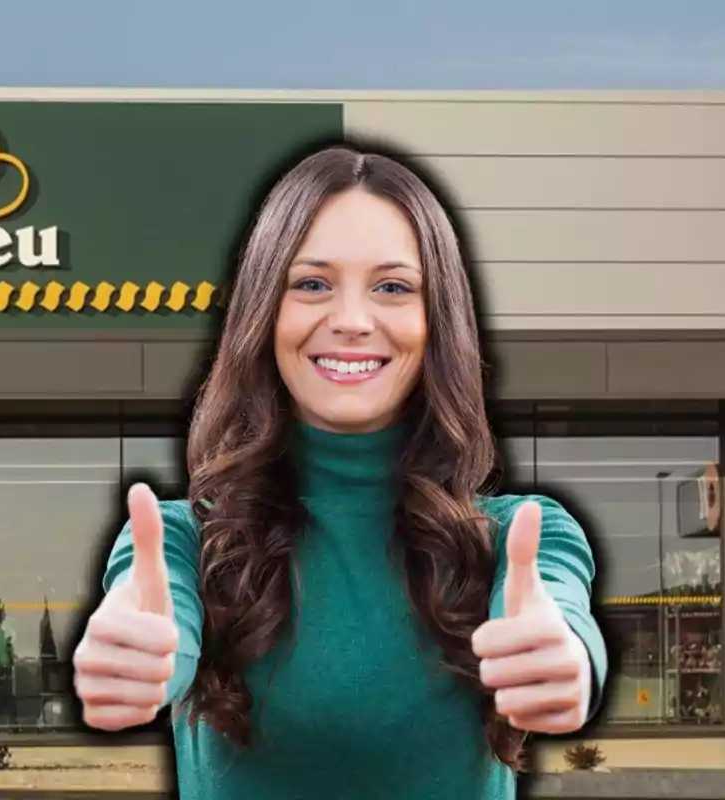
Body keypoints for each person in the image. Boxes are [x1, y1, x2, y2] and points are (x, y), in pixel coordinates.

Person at [72, 144, 608, 799]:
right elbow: (157, 621)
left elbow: (561, 621)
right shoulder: (181, 540)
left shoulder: (522, 535)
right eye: (312, 284)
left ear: (436, 320)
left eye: (393, 287)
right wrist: (141, 656)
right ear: (263, 313)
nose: (352, 321)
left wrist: (564, 661)